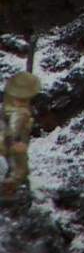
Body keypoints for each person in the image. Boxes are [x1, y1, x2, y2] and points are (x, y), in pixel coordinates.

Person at [1, 70, 40, 198]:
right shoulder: (19, 113)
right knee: (19, 165)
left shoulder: (19, 111)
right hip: (12, 141)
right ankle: (12, 186)